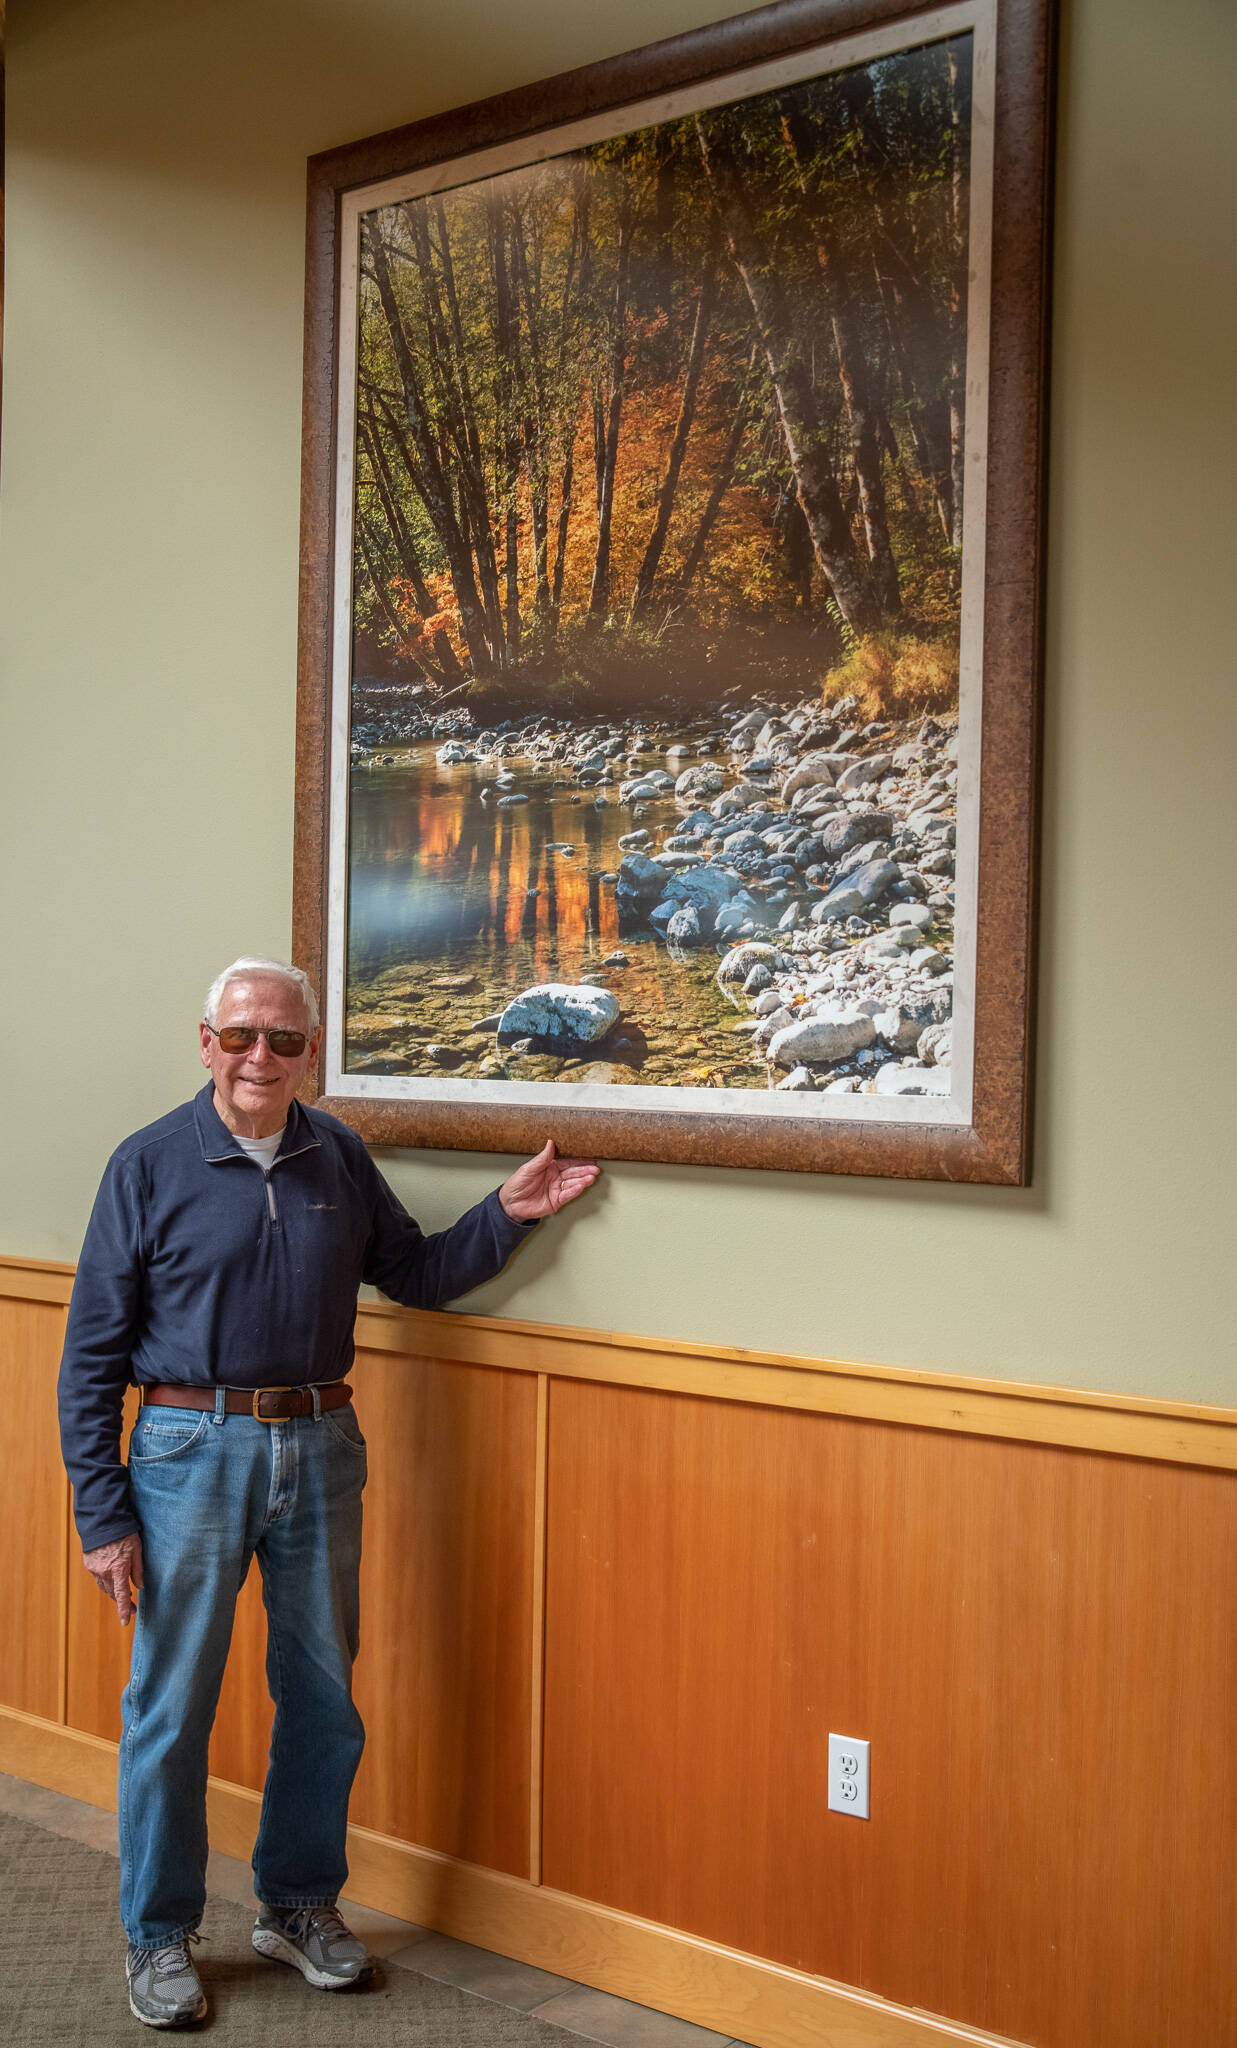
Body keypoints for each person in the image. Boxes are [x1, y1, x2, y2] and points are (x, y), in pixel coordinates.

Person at [57, 955, 599, 2029]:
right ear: (206, 1041)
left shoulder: (336, 1154)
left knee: (323, 1697)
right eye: (243, 1035)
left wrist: (511, 1209)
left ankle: (297, 1904)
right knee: (171, 1710)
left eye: (287, 1039)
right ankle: (160, 1933)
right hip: (181, 1449)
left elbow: (417, 1272)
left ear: (311, 1052)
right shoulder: (148, 1163)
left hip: (321, 1444)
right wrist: (101, 1510)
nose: (263, 1055)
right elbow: (89, 1356)